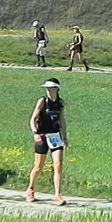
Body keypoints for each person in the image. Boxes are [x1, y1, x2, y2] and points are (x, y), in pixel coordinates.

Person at [26, 78, 69, 206]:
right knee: (39, 166)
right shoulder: (42, 101)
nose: (48, 90)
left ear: (57, 89)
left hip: (55, 136)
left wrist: (65, 138)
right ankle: (31, 189)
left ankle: (57, 194)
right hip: (42, 136)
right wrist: (35, 134)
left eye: (50, 88)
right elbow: (33, 119)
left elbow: (62, 122)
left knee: (58, 164)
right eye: (46, 88)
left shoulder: (60, 103)